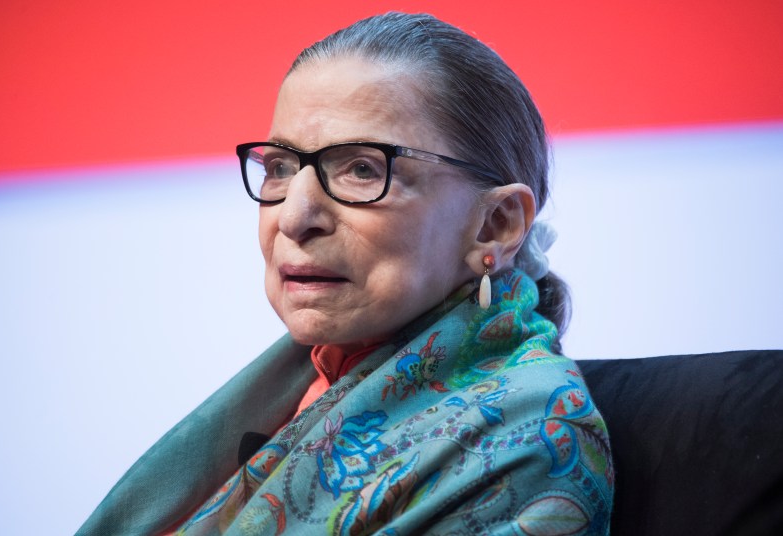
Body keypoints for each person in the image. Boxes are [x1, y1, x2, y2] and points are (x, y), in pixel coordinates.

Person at [79, 12, 613, 535]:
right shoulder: (304, 383)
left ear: (494, 225)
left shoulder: (529, 443)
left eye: (362, 168)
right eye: (280, 168)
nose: (293, 217)